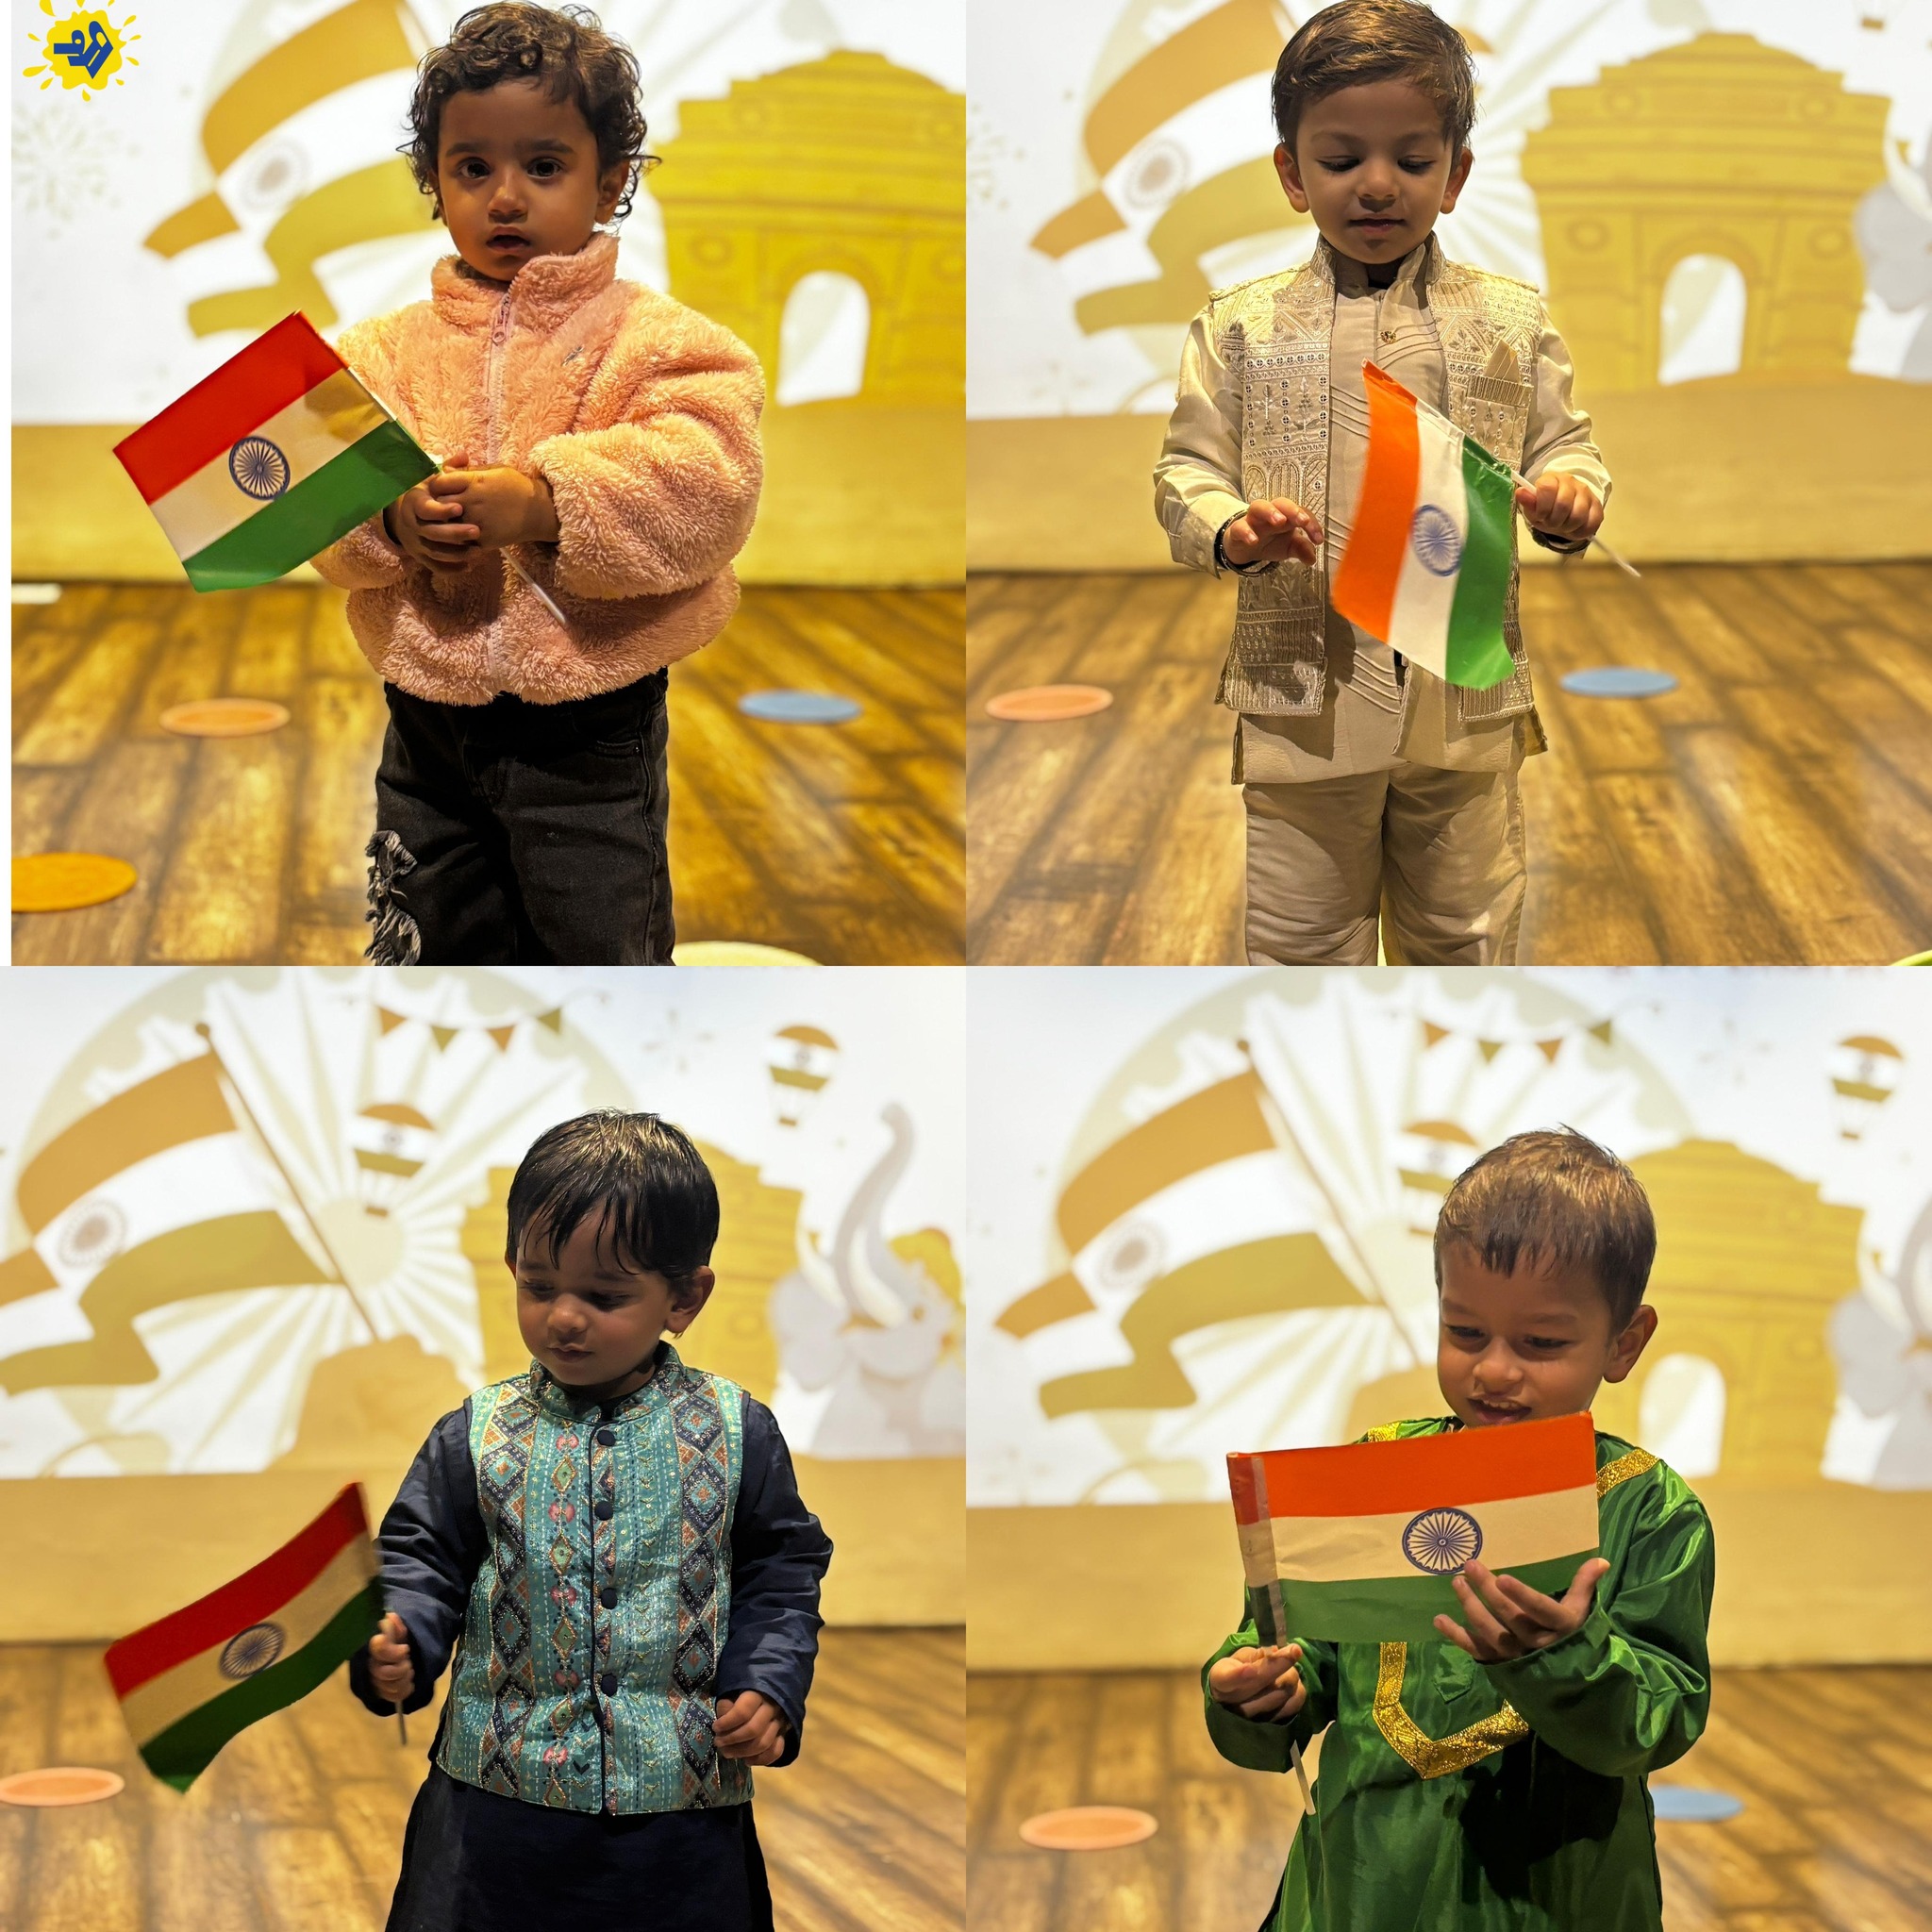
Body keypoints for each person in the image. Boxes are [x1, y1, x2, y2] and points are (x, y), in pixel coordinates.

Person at [1153, 1, 1609, 967]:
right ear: (1292, 173)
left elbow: (1563, 445)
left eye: (1410, 159)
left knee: (1466, 937)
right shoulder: (1240, 327)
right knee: (1302, 944)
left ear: (1455, 176)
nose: (1375, 185)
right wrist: (1232, 528)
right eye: (1339, 158)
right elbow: (1186, 469)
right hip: (1303, 696)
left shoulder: (1509, 320)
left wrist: (1569, 495)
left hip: (1463, 693)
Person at [313, 4, 762, 965]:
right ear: (434, 182)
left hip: (590, 723)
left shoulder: (664, 343)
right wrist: (391, 516)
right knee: (430, 932)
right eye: (472, 168)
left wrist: (549, 502)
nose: (505, 197)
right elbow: (316, 498)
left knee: (598, 938)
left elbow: (711, 482)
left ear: (611, 181)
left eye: (544, 165)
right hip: (426, 713)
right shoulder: (377, 355)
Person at [1205, 1130, 1713, 1931]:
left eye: (1542, 1343)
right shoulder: (1375, 1473)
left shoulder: (1650, 1512)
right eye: (1465, 1333)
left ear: (1625, 1343)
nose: (1495, 1370)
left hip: (1553, 1898)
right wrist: (1259, 1696)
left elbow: (1660, 1722)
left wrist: (1565, 1659)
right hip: (1360, 1889)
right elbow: (1303, 1661)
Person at [348, 1110, 831, 1932]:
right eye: (539, 1287)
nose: (564, 1317)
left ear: (685, 1297)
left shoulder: (736, 1429)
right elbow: (418, 1561)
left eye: (604, 1296)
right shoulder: (475, 1433)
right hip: (491, 1821)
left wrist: (768, 1683)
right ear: (511, 1268)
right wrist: (400, 1642)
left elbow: (781, 1571)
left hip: (679, 1830)